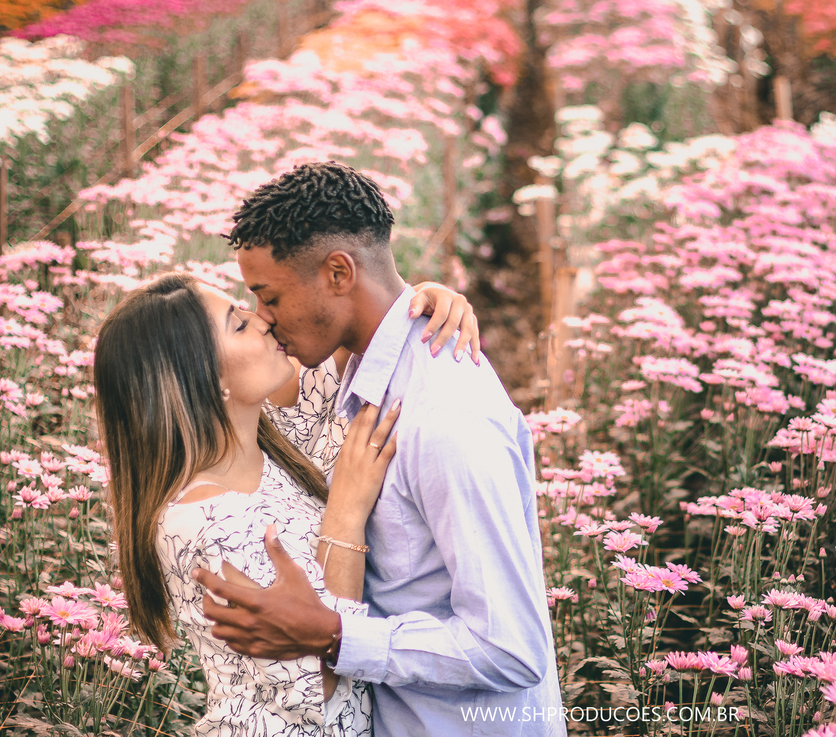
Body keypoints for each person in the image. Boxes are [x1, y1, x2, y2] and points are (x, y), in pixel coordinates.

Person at [193, 161, 564, 737]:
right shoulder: (357, 363)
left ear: (339, 272)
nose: (263, 320)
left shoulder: (444, 420)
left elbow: (510, 649)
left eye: (269, 297)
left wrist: (333, 634)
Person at [94, 272, 481, 736]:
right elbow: (319, 683)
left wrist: (424, 299)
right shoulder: (210, 526)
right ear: (204, 376)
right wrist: (346, 514)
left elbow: (358, 325)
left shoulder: (271, 436)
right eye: (238, 324)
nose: (261, 321)